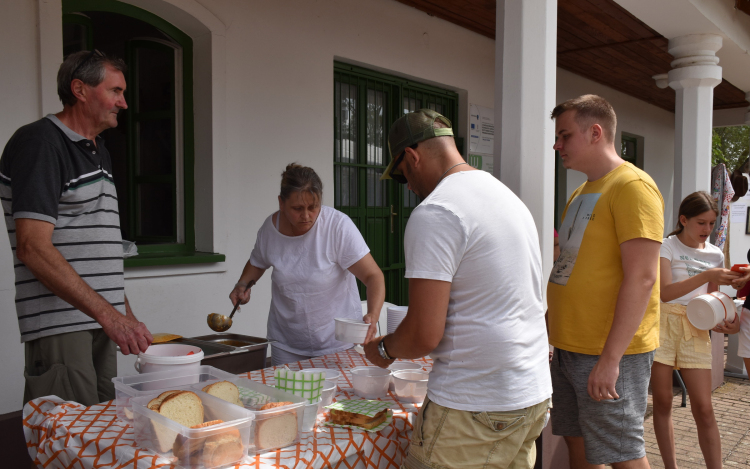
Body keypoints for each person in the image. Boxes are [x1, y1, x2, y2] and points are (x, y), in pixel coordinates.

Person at [364, 109, 552, 468]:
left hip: (474, 404)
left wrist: (383, 351)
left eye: (403, 177)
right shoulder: (506, 197)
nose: (410, 188)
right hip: (530, 393)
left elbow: (423, 334)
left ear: (412, 157)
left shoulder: (437, 211)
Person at [0, 50, 153, 406]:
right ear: (80, 90)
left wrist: (122, 314)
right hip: (61, 326)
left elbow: (97, 246)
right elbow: (32, 247)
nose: (124, 103)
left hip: (98, 322)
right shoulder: (40, 143)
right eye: (115, 91)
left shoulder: (98, 151)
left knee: (101, 436)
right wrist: (109, 315)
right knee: (69, 441)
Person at [547, 94, 664, 469]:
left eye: (564, 135)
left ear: (595, 132)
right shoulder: (581, 191)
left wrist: (611, 359)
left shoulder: (632, 186)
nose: (557, 144)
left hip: (608, 351)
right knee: (578, 442)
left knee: (621, 452)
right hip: (568, 346)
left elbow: (644, 277)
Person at [230, 163, 385, 367]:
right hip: (286, 343)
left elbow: (373, 276)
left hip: (337, 343)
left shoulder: (337, 226)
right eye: (297, 208)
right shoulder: (270, 230)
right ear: (281, 203)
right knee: (285, 397)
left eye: (313, 207)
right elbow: (257, 263)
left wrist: (373, 315)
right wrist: (242, 284)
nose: (306, 216)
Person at [651, 191, 743, 469]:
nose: (707, 229)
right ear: (683, 220)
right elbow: (665, 293)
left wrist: (728, 322)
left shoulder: (715, 254)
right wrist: (706, 275)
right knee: (663, 402)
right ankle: (671, 467)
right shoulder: (666, 246)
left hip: (695, 326)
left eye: (712, 223)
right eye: (701, 223)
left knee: (703, 407)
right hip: (663, 324)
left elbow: (710, 300)